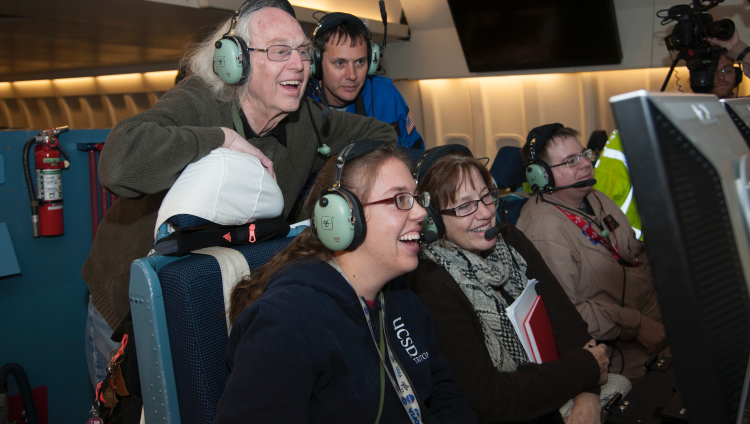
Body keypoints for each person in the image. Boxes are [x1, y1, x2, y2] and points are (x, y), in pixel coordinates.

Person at [81, 0, 397, 388]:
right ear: (237, 62)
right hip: (128, 299)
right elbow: (118, 163)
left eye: (302, 52)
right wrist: (220, 139)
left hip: (211, 292)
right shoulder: (199, 100)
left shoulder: (306, 121)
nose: (297, 64)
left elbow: (382, 135)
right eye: (280, 51)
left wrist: (326, 185)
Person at [217, 142, 478, 424]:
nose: (421, 214)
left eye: (416, 198)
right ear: (342, 217)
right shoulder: (285, 323)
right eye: (399, 199)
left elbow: (441, 390)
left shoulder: (399, 294)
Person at [409, 147, 624, 424]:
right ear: (433, 220)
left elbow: (570, 327)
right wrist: (587, 370)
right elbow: (491, 399)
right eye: (464, 206)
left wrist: (588, 397)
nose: (485, 213)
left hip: (558, 385)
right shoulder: (432, 281)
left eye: (486, 196)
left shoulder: (510, 240)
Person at [516, 124, 666, 383]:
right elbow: (569, 312)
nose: (585, 164)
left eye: (584, 154)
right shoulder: (543, 230)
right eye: (571, 161)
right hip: (621, 348)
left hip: (655, 313)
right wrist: (638, 324)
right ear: (540, 176)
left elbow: (635, 254)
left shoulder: (597, 199)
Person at [310, 11, 424, 149]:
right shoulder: (302, 105)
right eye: (340, 63)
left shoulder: (386, 95)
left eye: (359, 62)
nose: (352, 75)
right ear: (316, 62)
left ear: (371, 63)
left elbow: (414, 153)